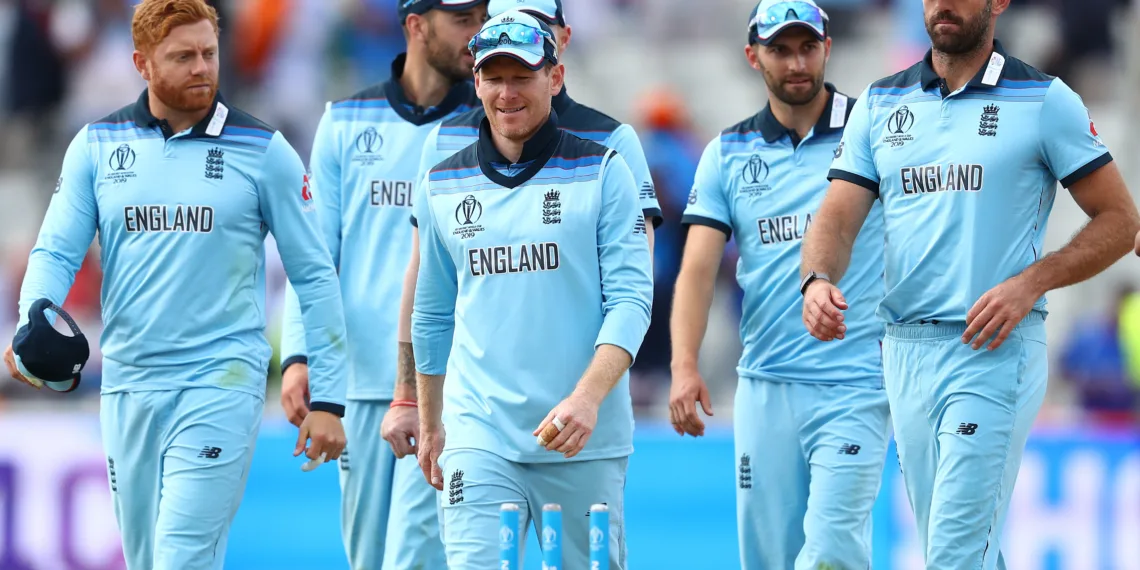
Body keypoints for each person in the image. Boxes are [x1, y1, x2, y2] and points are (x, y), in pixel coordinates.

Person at [3, 1, 349, 569]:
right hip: (129, 387)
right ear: (142, 63)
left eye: (209, 53)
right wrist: (31, 321)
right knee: (145, 561)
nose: (201, 68)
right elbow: (55, 251)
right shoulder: (96, 145)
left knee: (180, 558)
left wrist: (328, 397)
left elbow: (314, 273)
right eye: (182, 56)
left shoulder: (264, 151)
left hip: (221, 383)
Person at [802, 0, 1140, 567]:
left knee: (955, 555)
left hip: (993, 348)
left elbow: (1120, 220)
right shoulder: (882, 102)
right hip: (904, 351)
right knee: (959, 548)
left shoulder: (1044, 100)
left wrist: (1032, 282)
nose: (943, 5)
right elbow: (835, 217)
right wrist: (816, 281)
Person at [411, 11, 653, 569]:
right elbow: (431, 312)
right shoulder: (442, 182)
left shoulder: (604, 169)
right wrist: (430, 421)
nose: (507, 92)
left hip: (580, 436)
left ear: (556, 77)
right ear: (476, 83)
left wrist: (588, 397)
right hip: (479, 432)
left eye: (522, 75)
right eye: (493, 77)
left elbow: (632, 300)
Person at [670, 2, 889, 568]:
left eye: (807, 47)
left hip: (855, 383)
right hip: (766, 387)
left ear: (827, 48)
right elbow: (697, 269)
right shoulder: (726, 153)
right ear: (753, 56)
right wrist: (684, 366)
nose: (797, 62)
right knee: (769, 559)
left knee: (832, 553)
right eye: (780, 49)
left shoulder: (873, 132)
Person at [275, 0, 486, 568]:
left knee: (415, 555)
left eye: (483, 18)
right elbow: (313, 255)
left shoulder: (489, 122)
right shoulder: (344, 121)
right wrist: (298, 355)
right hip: (359, 383)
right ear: (417, 26)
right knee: (368, 556)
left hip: (448, 382)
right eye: (464, 20)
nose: (479, 33)